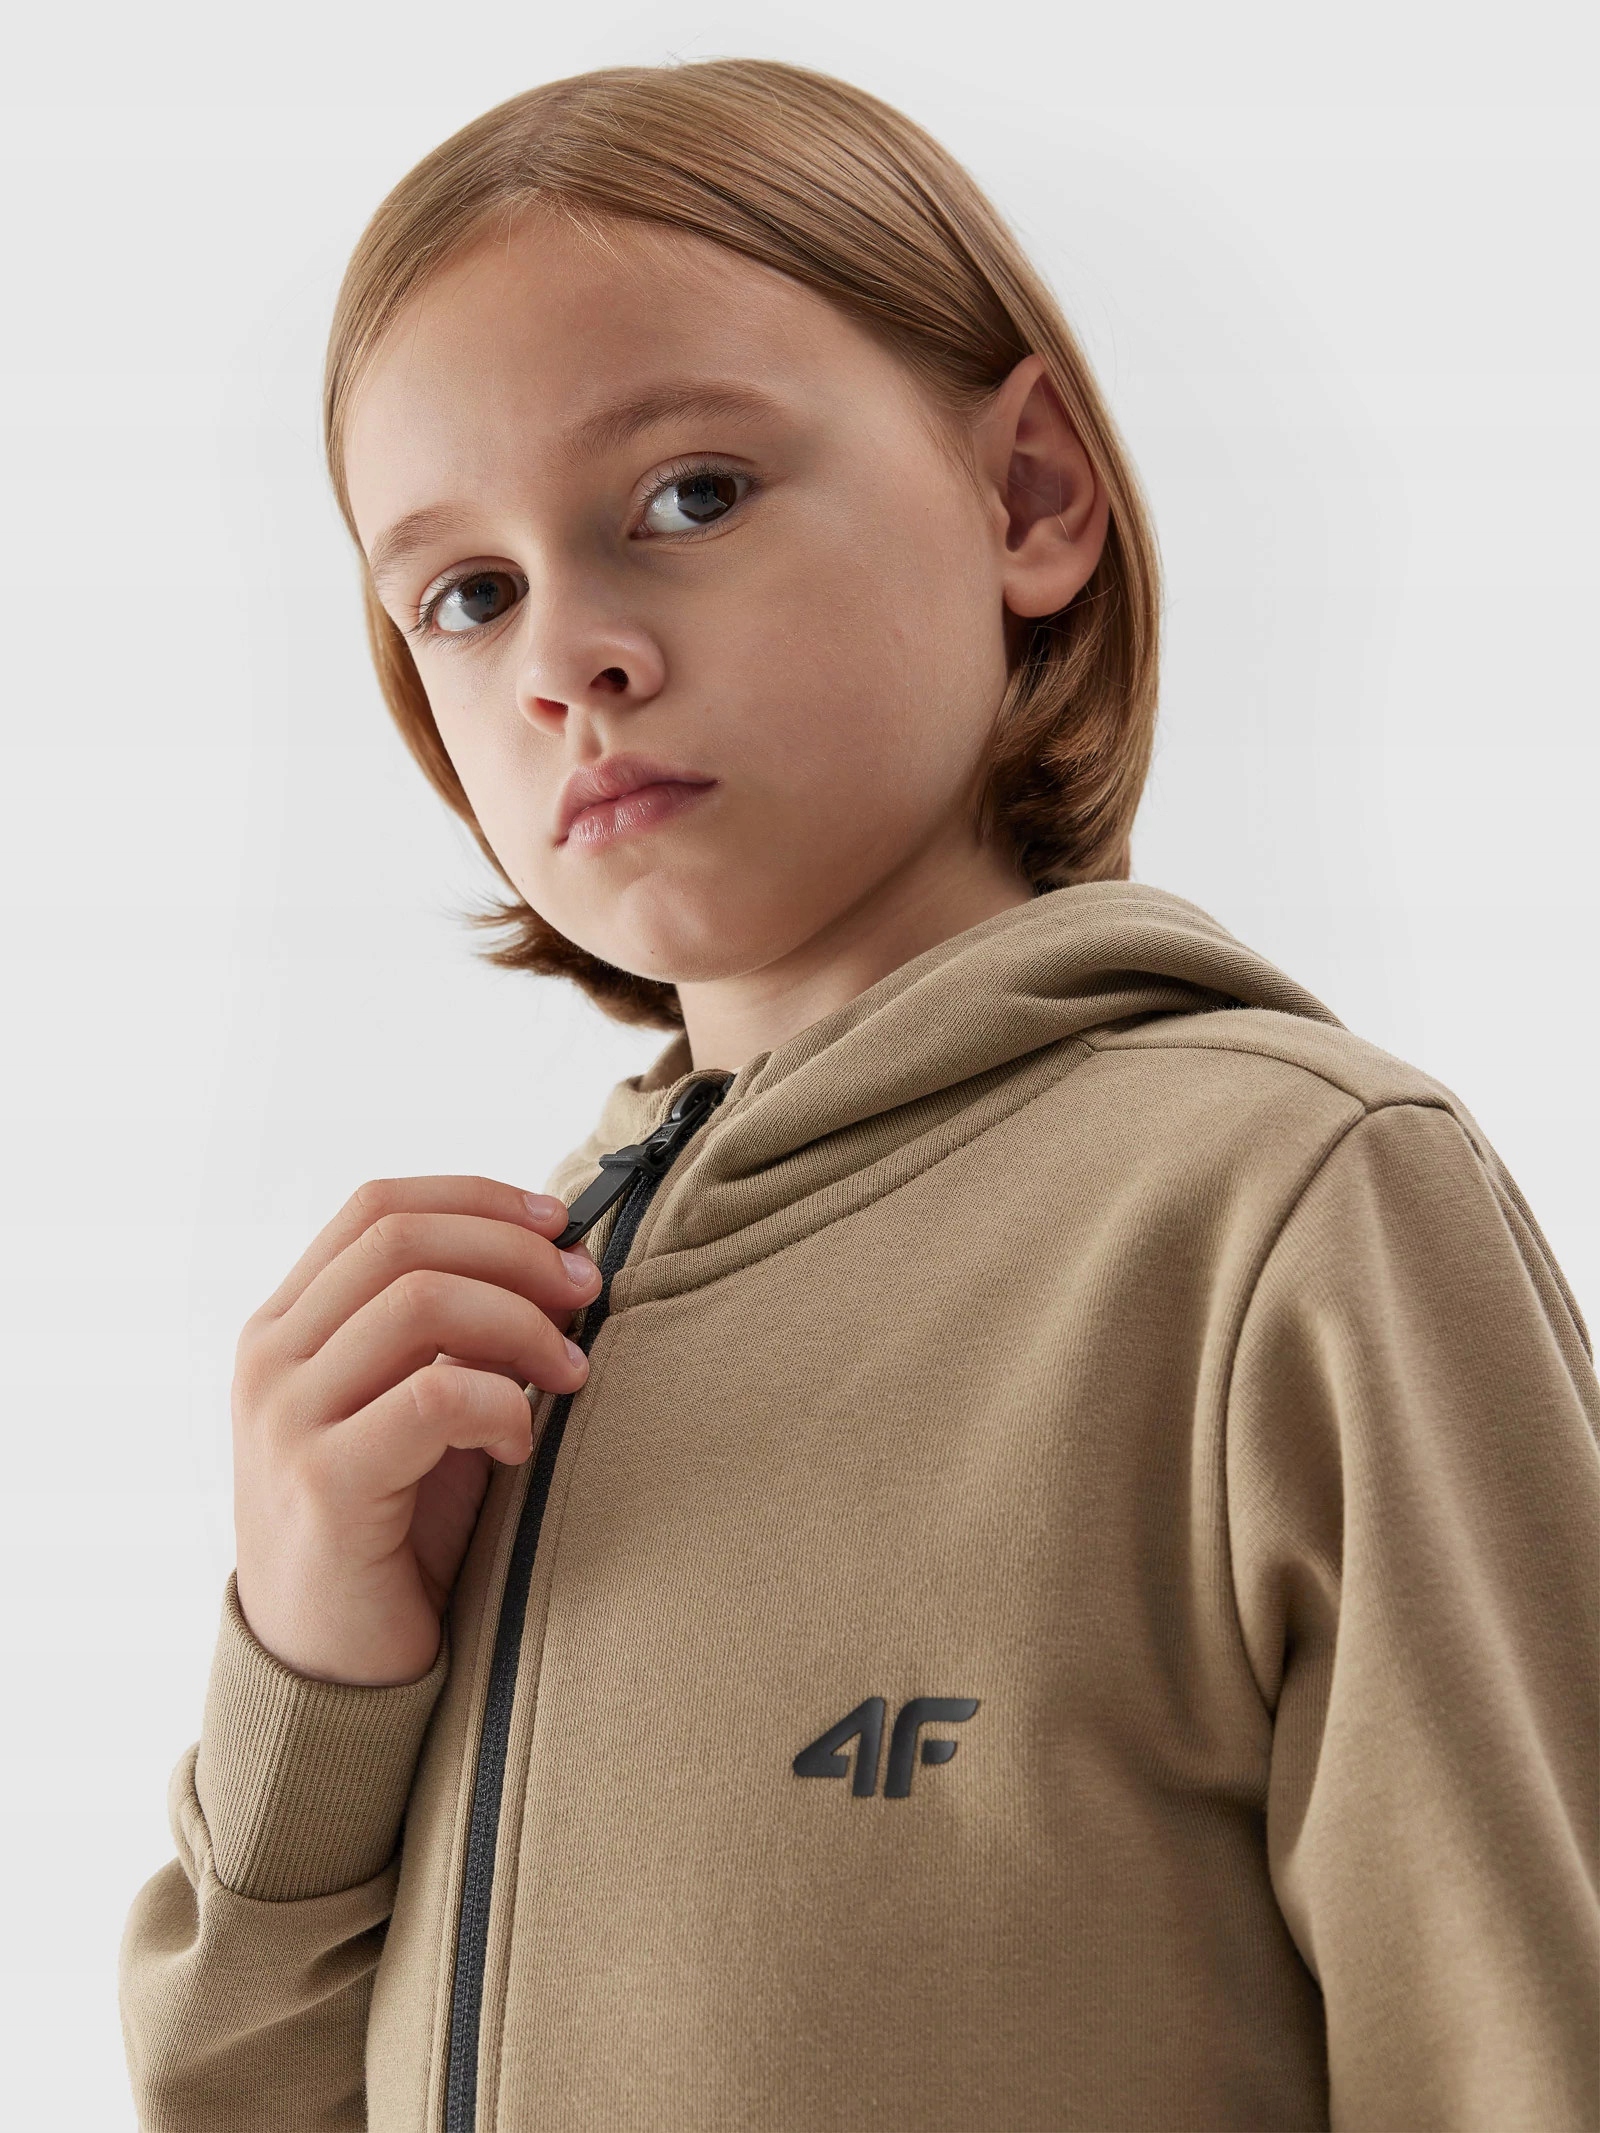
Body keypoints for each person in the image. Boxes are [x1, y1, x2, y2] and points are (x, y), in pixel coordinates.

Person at [119, 59, 1598, 2133]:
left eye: (691, 494)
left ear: (1027, 497)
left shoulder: (1278, 1209)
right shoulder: (480, 1353)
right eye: (467, 594)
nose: (567, 657)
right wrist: (314, 1671)